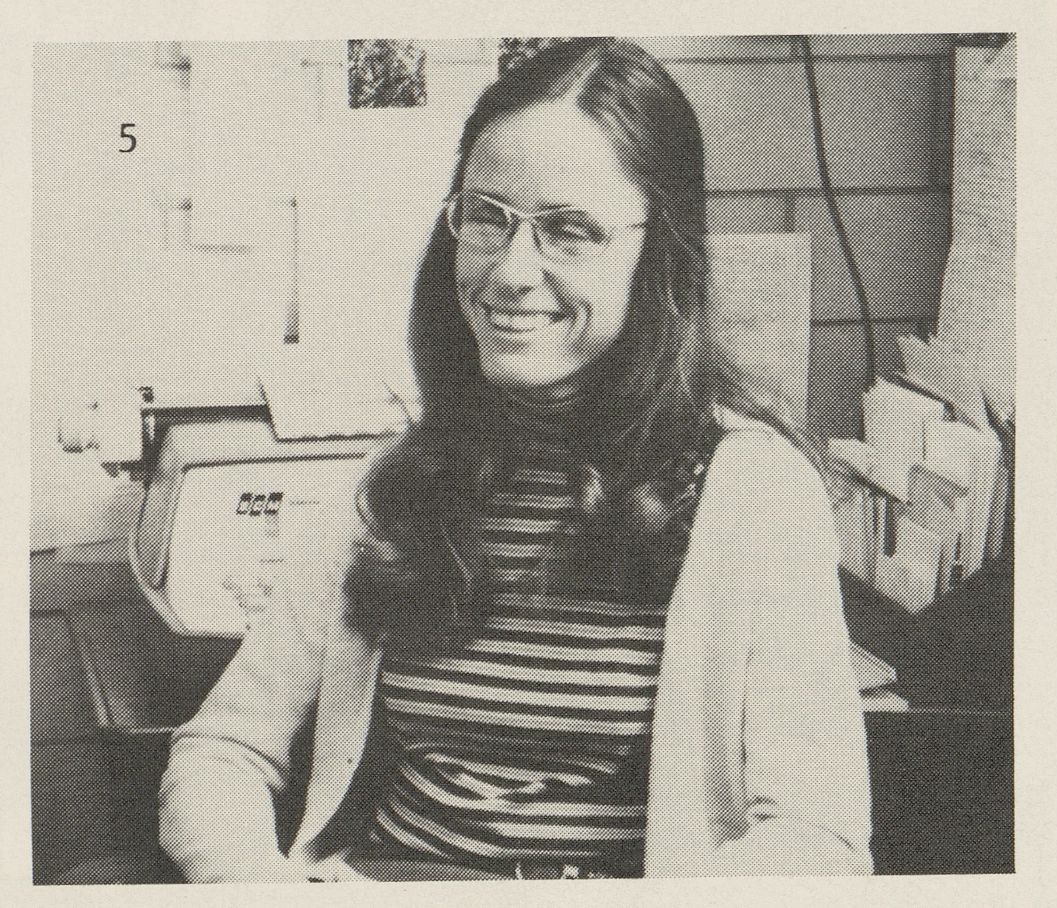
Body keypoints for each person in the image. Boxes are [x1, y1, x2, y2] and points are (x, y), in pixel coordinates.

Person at [159, 37, 872, 882]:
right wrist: (258, 884)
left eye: (569, 231)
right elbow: (221, 750)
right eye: (487, 217)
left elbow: (819, 839)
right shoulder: (392, 485)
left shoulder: (751, 493)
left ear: (658, 256)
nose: (510, 270)